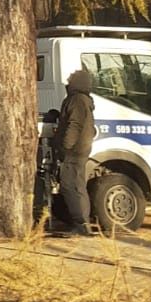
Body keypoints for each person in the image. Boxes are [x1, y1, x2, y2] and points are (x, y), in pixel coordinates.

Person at [52, 68, 96, 235]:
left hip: (74, 151)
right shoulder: (84, 100)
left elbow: (74, 126)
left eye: (70, 80)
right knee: (78, 186)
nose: (67, 82)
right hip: (81, 149)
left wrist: (65, 146)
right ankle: (82, 223)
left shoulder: (76, 100)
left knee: (71, 186)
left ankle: (80, 225)